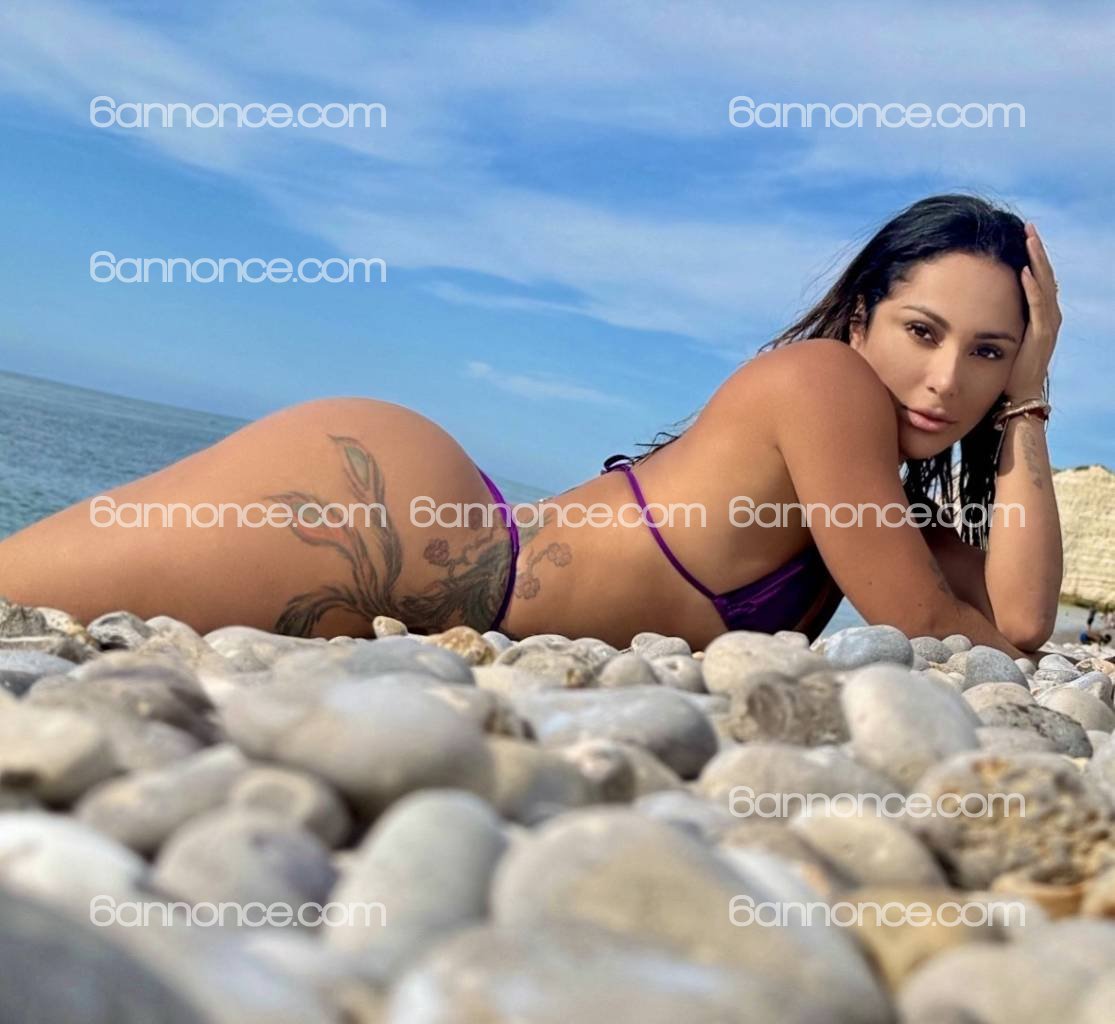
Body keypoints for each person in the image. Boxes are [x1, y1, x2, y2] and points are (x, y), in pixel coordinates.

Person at [0, 194, 1063, 657]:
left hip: (407, 569)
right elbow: (925, 621)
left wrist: (1029, 395)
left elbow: (1015, 624)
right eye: (920, 331)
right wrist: (1015, 379)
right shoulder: (822, 383)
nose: (943, 380)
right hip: (381, 521)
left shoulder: (872, 508)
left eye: (986, 352)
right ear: (861, 316)